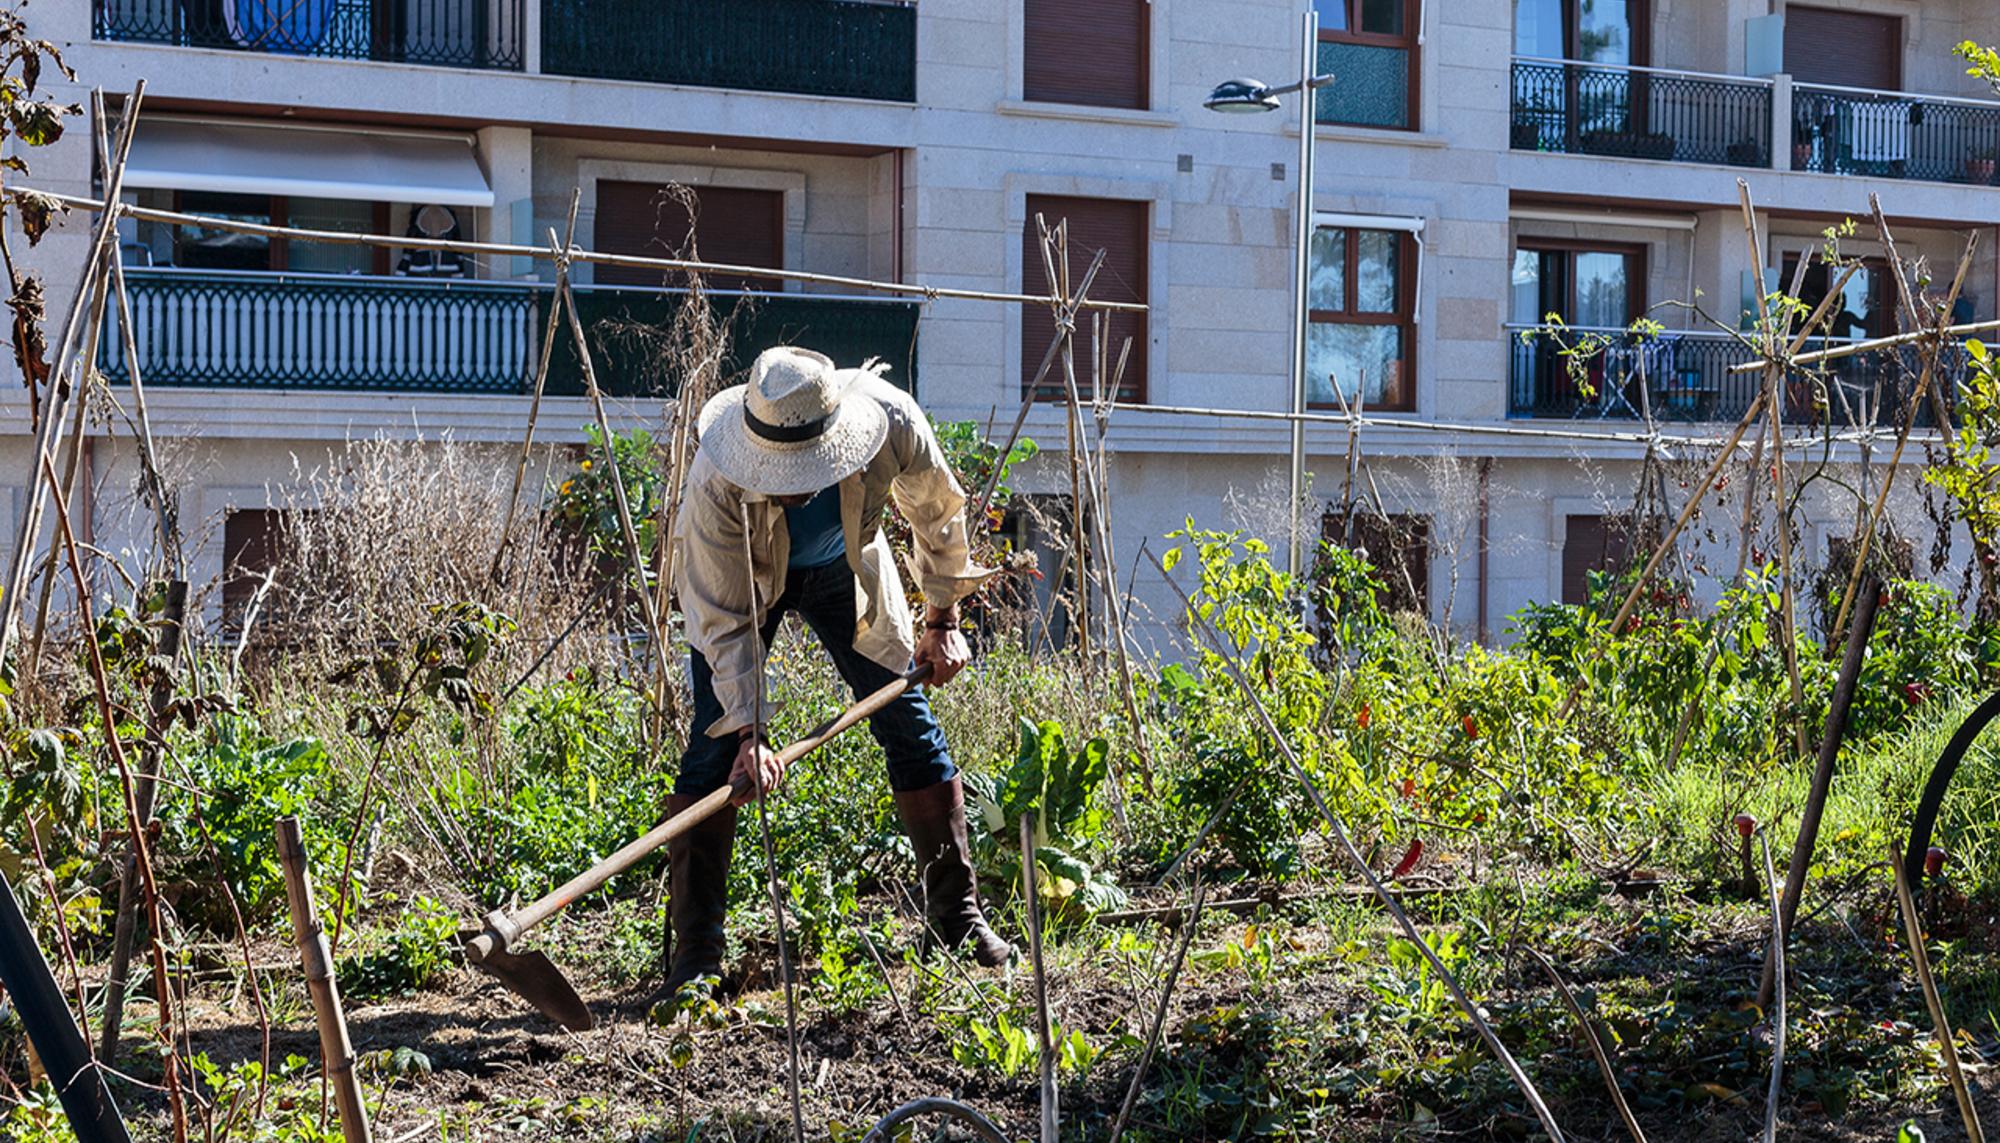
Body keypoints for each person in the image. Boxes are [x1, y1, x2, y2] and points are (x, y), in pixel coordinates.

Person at [663, 345, 1013, 991]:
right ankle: (696, 957)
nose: (792, 483)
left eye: (804, 467)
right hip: (748, 582)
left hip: (843, 569)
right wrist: (749, 732)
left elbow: (937, 512)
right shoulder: (717, 480)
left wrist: (942, 621)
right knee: (714, 754)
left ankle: (957, 920)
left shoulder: (890, 422)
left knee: (909, 726)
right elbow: (722, 619)